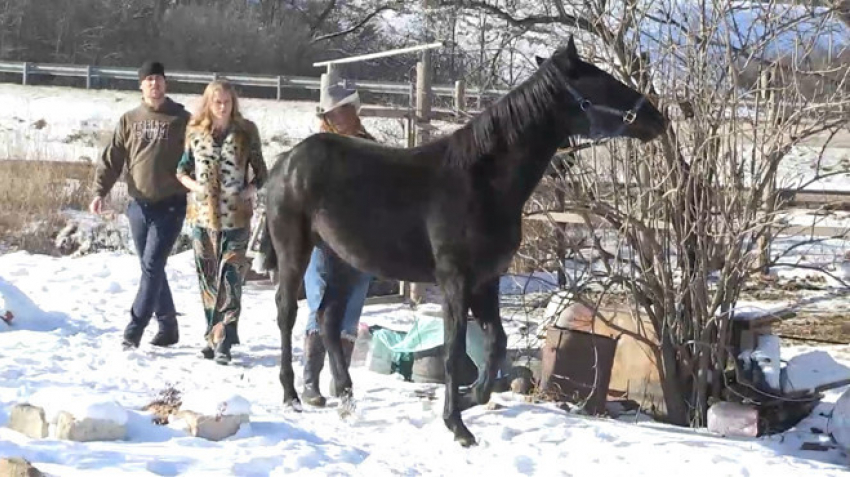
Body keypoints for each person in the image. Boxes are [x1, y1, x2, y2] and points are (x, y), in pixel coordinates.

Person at [91, 60, 191, 350]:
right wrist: (100, 192)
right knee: (152, 268)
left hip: (170, 204)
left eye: (158, 79)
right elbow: (113, 158)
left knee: (151, 266)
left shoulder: (182, 119)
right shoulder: (130, 119)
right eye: (148, 80)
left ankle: (133, 330)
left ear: (165, 83)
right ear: (141, 85)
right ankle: (169, 327)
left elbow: (200, 156)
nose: (154, 84)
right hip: (137, 205)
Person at [176, 80, 268, 365]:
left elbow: (262, 173)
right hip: (202, 217)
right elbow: (182, 169)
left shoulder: (246, 131)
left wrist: (248, 191)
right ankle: (212, 334)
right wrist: (195, 187)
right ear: (208, 103)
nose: (222, 106)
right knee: (208, 279)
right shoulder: (195, 131)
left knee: (231, 278)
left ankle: (224, 337)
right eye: (217, 102)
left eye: (227, 102)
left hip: (236, 217)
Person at [301, 83, 375, 407]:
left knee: (352, 309)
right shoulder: (316, 150)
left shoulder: (371, 149)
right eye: (334, 112)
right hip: (321, 240)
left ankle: (339, 375)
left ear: (354, 111)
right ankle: (310, 380)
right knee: (319, 305)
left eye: (345, 109)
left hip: (360, 242)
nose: (340, 116)